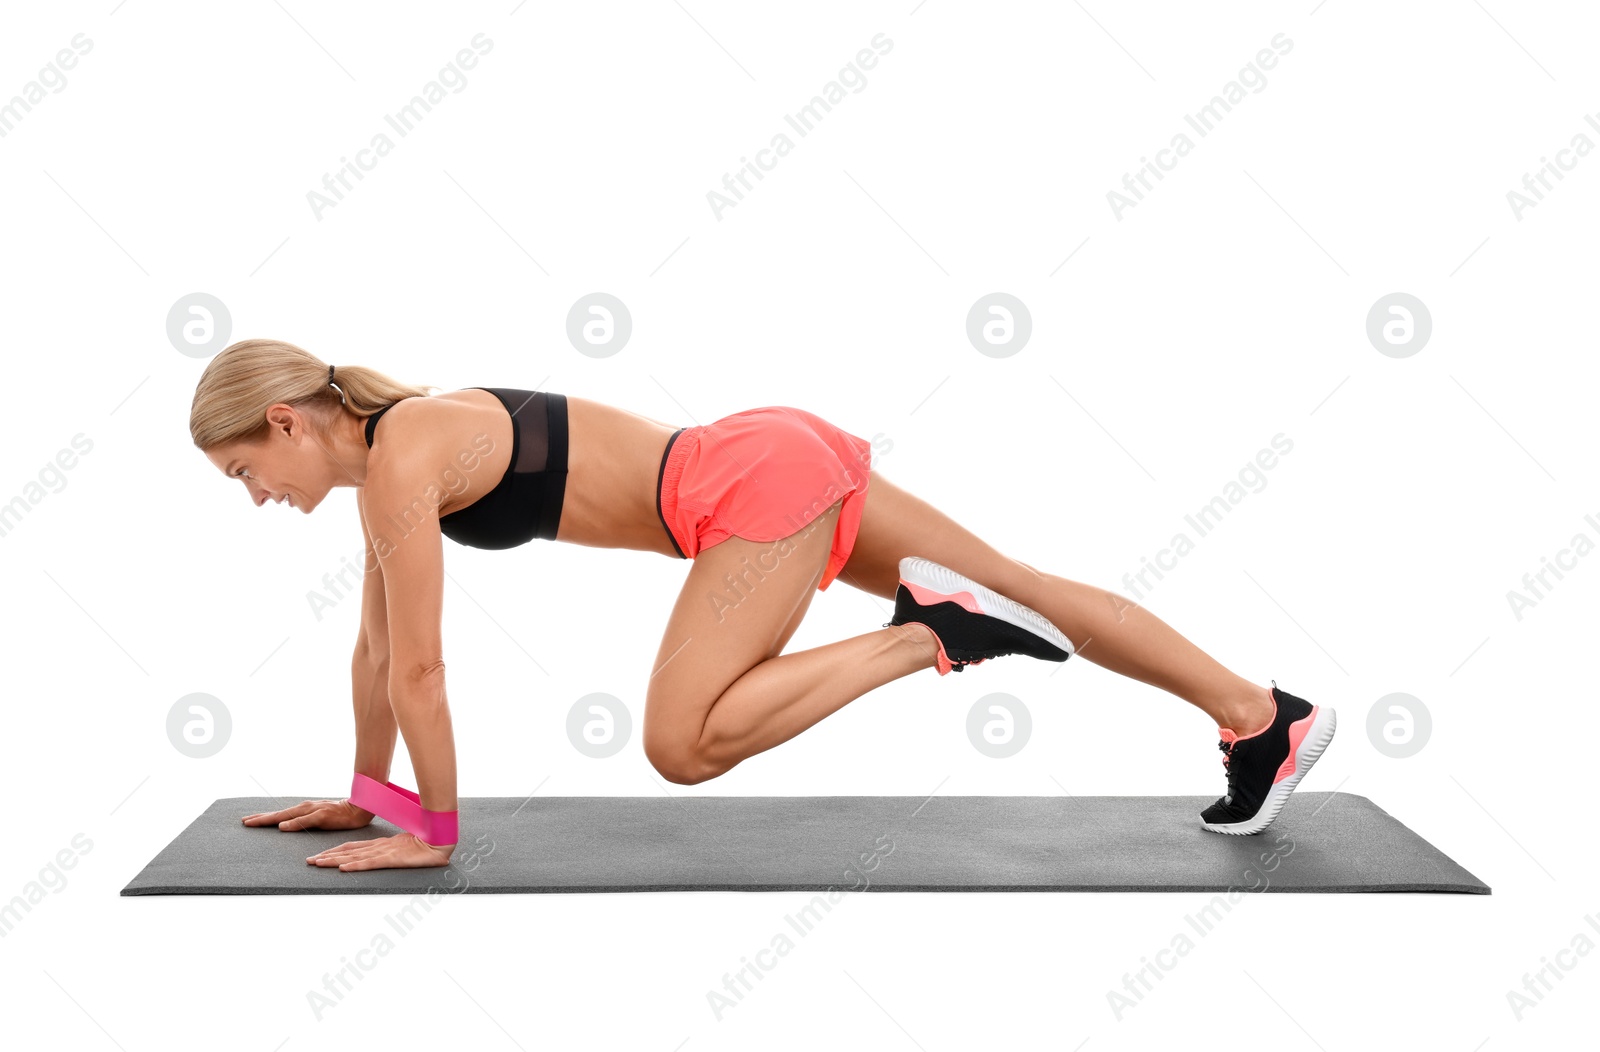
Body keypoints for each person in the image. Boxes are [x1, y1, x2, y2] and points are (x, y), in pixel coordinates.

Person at [191, 338, 1336, 873]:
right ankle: (1260, 711)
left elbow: (422, 673)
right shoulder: (400, 456)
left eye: (244, 470)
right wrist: (369, 798)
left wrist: (431, 835)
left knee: (681, 741)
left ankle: (929, 632)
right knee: (1032, 589)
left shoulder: (400, 460)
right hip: (763, 455)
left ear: (288, 420)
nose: (255, 496)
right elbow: (375, 652)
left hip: (746, 494)